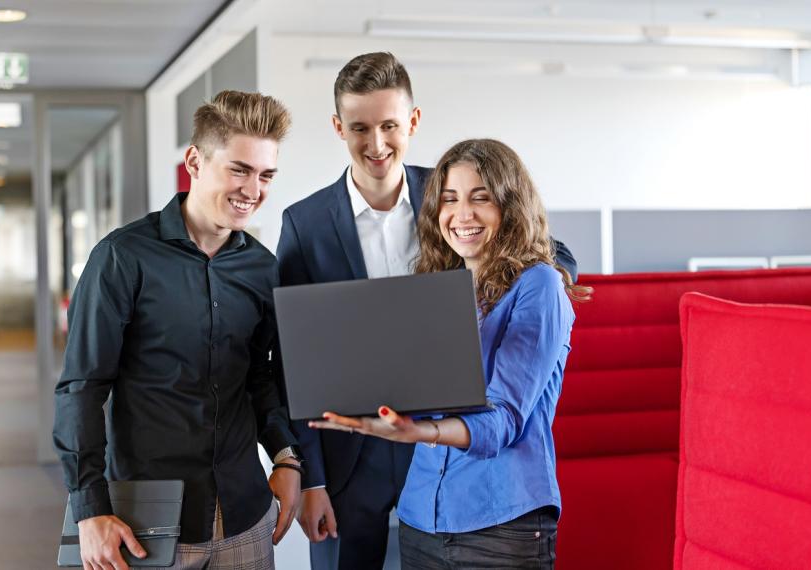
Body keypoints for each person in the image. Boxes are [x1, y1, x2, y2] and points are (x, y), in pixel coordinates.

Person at [276, 52, 578, 569]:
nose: (377, 145)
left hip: (447, 435)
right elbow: (293, 358)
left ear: (412, 122)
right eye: (360, 128)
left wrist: (548, 288)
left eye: (390, 125)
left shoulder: (448, 194)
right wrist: (313, 478)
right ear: (338, 128)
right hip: (356, 453)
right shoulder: (305, 223)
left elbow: (549, 251)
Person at [53, 90, 303, 570]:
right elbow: (82, 388)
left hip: (244, 518)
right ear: (194, 160)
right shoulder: (122, 258)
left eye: (266, 174)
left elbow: (260, 380)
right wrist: (90, 511)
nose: (254, 189)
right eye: (239, 169)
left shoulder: (262, 268)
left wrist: (286, 457)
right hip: (145, 522)